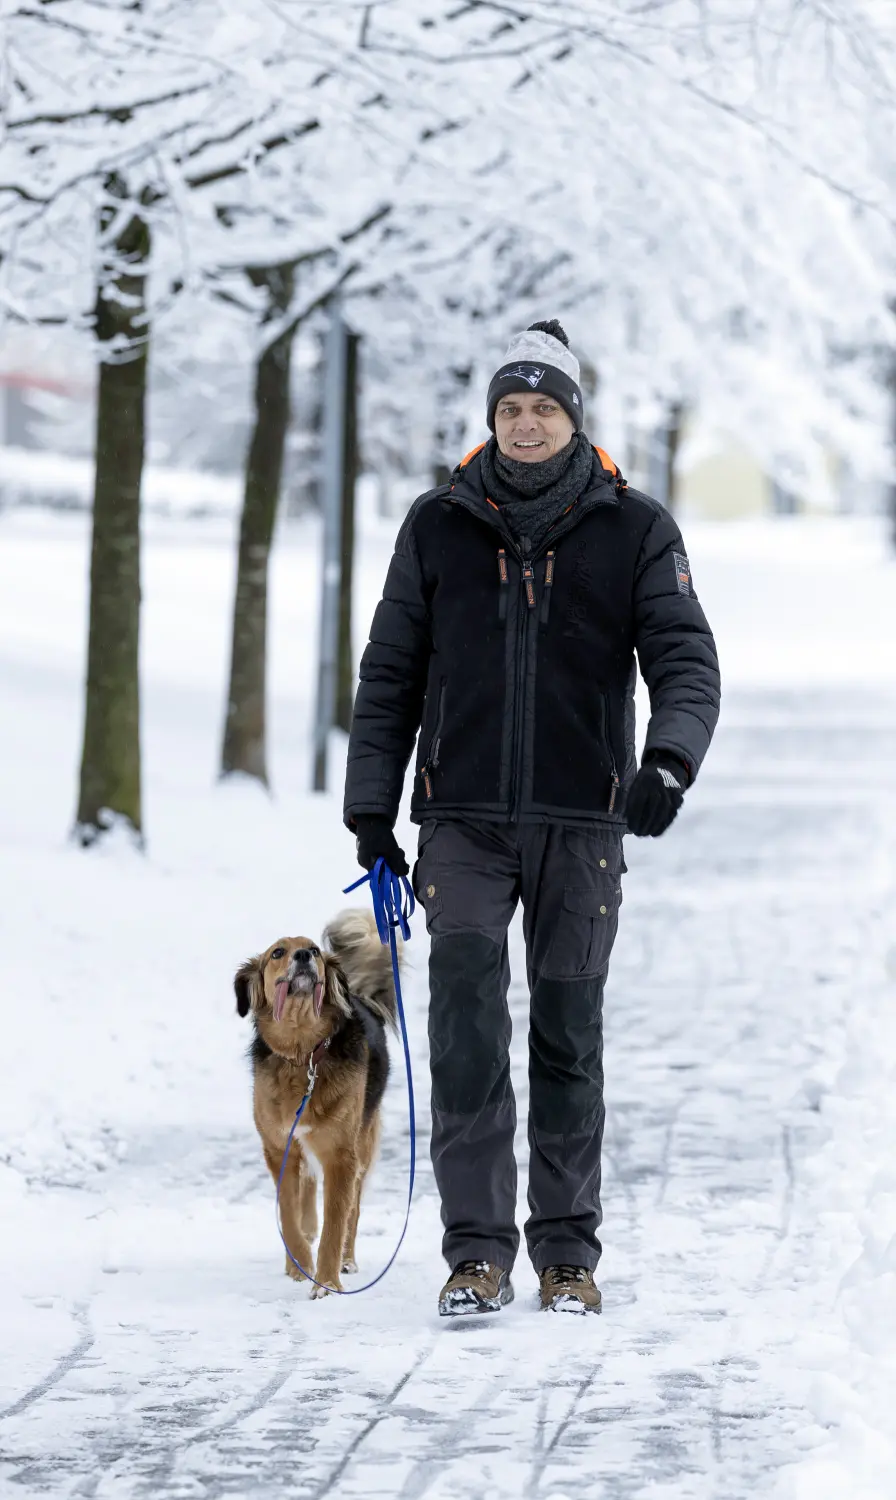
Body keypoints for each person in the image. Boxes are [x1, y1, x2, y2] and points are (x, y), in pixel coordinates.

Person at [344, 320, 720, 1315]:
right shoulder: (436, 524)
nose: (524, 424)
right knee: (465, 1029)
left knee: (566, 1036)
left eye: (542, 407)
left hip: (581, 822)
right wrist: (371, 810)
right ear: (490, 418)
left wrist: (668, 762)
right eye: (508, 408)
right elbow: (389, 674)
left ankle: (565, 1257)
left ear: (572, 417)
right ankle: (475, 1254)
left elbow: (684, 658)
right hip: (461, 821)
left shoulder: (635, 529)